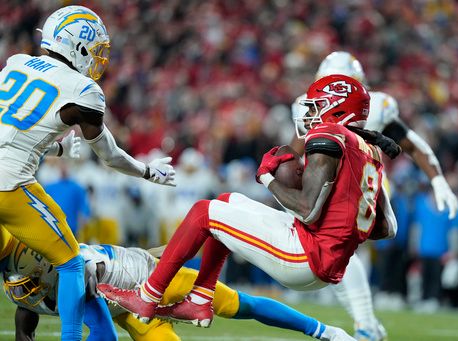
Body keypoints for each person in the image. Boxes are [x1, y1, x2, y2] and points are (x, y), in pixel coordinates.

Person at [97, 74, 398, 340]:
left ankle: (146, 297)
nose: (310, 114)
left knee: (204, 211)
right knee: (227, 202)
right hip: (324, 256)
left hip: (307, 255)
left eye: (317, 106)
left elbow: (306, 210)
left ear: (338, 108)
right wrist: (341, 223)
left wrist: (267, 179)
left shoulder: (331, 135)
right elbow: (386, 228)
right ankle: (201, 298)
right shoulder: (370, 152)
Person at [0, 5, 175, 340]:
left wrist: (57, 148)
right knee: (72, 264)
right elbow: (110, 157)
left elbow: (10, 130)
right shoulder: (83, 90)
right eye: (94, 51)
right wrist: (148, 171)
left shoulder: (16, 64)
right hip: (9, 186)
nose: (98, 60)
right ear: (76, 47)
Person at [289, 51, 458, 338]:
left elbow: (414, 145)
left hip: (361, 184)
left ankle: (365, 321)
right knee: (336, 251)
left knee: (340, 248)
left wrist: (438, 180)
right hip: (332, 183)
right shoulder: (308, 104)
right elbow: (295, 151)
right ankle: (364, 320)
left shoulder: (377, 105)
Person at [1, 229, 351, 341]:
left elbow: (103, 334)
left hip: (154, 281)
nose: (29, 294)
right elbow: (25, 318)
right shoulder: (25, 290)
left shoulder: (76, 274)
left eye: (30, 288)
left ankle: (324, 331)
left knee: (241, 306)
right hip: (131, 313)